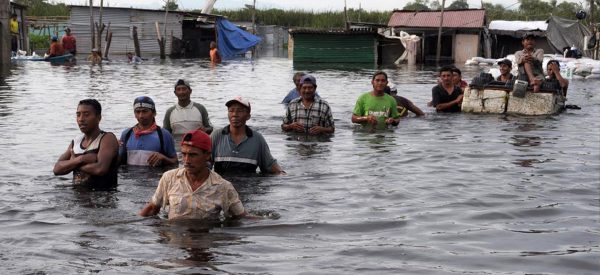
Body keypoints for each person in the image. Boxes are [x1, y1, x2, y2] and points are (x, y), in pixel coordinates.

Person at [139, 130, 251, 220]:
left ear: (207, 155)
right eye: (184, 154)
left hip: (206, 240)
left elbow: (242, 217)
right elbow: (152, 208)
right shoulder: (169, 178)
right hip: (175, 244)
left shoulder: (223, 187)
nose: (187, 160)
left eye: (193, 155)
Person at [53, 99, 119, 188]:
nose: (81, 119)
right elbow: (57, 169)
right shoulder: (76, 141)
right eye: (78, 115)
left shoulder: (107, 138)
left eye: (86, 114)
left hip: (101, 197)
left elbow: (100, 169)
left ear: (98, 118)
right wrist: (80, 159)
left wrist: (72, 163)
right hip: (78, 197)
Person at [211, 96, 284, 174]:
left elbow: (271, 166)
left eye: (240, 111)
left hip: (248, 185)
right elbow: (203, 165)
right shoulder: (217, 136)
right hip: (222, 185)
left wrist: (284, 176)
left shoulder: (257, 140)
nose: (235, 114)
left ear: (248, 116)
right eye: (231, 110)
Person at [119, 96, 178, 167]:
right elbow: (119, 162)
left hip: (155, 176)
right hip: (130, 177)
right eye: (138, 112)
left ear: (154, 113)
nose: (141, 116)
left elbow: (175, 162)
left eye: (145, 111)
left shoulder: (164, 135)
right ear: (134, 114)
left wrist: (163, 158)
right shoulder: (126, 134)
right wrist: (113, 149)